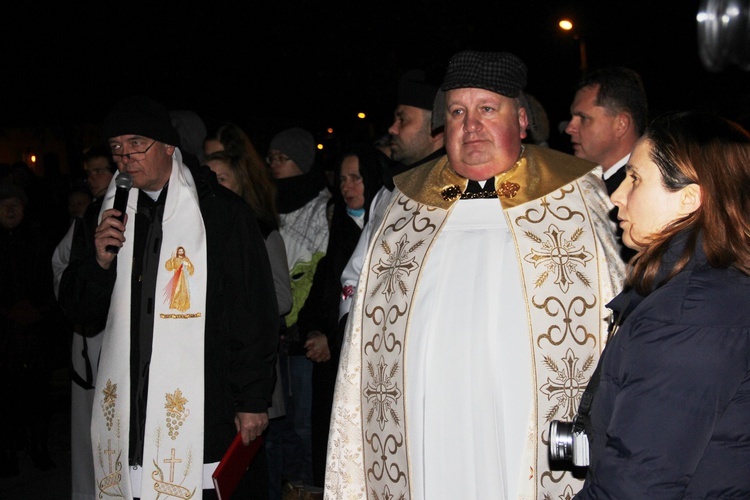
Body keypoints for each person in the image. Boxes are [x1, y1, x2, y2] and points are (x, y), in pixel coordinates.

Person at [325, 50, 625, 500]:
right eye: (458, 112)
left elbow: (609, 312)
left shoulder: (576, 196)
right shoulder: (402, 203)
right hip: (423, 414)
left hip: (524, 415)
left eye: (487, 109)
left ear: (521, 120)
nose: (471, 126)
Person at [58, 96, 279, 499]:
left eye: (136, 143)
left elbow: (252, 311)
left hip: (205, 403)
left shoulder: (219, 213)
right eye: (117, 148)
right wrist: (98, 262)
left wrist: (252, 398)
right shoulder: (103, 216)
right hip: (131, 413)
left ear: (168, 146)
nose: (125, 157)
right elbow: (79, 310)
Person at [572, 111, 750, 498]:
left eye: (635, 178)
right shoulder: (710, 291)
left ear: (689, 198)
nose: (616, 195)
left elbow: (637, 484)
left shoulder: (687, 318)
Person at [202, 147, 292, 499]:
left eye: (220, 179)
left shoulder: (259, 231)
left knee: (258, 463)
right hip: (221, 380)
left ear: (239, 185)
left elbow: (280, 298)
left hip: (254, 371)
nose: (211, 187)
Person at [295, 144, 386, 488]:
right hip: (329, 364)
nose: (347, 186)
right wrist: (316, 331)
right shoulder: (341, 227)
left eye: (356, 178)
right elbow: (323, 290)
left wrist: (333, 340)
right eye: (343, 178)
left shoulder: (387, 229)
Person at [338, 68, 445, 321]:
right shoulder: (387, 192)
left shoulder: (460, 191)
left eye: (402, 120)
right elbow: (357, 272)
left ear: (437, 129)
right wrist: (349, 325)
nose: (392, 129)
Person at [266, 126, 331, 492]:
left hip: (302, 335)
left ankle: (310, 488)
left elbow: (317, 274)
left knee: (305, 424)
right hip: (274, 334)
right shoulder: (269, 205)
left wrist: (304, 322)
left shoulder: (321, 208)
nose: (274, 165)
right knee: (280, 425)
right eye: (272, 157)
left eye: (283, 158)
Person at [51, 144, 116, 500]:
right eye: (88, 172)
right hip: (90, 334)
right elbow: (61, 266)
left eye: (98, 170)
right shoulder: (87, 219)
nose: (92, 178)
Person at [565, 67, 648, 196]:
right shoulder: (578, 183)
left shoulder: (645, 191)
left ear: (621, 125)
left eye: (583, 118)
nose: (569, 128)